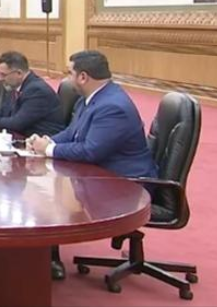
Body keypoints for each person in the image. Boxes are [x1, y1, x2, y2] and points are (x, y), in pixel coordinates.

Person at [28, 50, 157, 281]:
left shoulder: (112, 107)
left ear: (83, 77)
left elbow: (90, 150)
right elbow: (73, 133)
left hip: (126, 183)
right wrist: (48, 141)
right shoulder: (91, 98)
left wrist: (48, 150)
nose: (66, 78)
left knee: (48, 195)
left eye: (70, 73)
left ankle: (46, 259)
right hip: (102, 173)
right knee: (44, 184)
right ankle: (45, 254)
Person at [0, 51, 65, 136]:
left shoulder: (37, 90)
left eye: (4, 75)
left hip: (41, 140)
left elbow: (17, 123)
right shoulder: (16, 85)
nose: (0, 79)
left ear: (19, 73)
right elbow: (3, 112)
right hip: (22, 137)